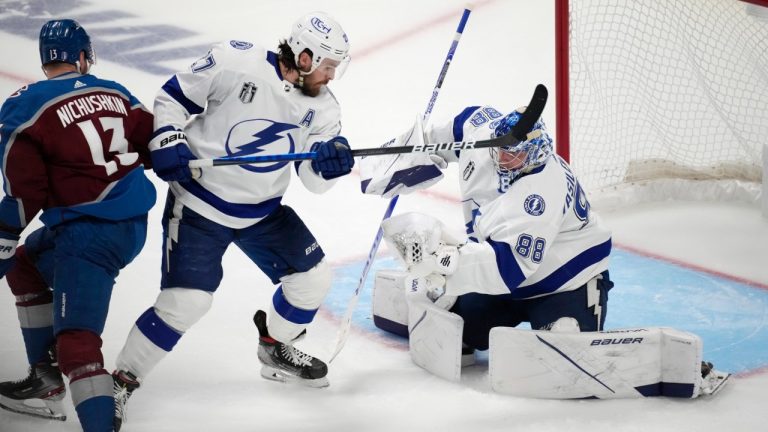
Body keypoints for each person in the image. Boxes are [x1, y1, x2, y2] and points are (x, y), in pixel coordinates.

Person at [364, 102, 729, 398]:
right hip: (506, 276)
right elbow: (448, 130)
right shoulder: (484, 132)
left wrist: (442, 263)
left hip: (564, 283)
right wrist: (396, 160)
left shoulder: (539, 195)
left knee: (563, 349)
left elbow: (508, 269)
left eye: (514, 157)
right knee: (455, 328)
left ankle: (658, 362)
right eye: (500, 151)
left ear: (535, 155)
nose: (502, 160)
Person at [110, 11, 354, 430]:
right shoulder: (235, 62)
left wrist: (329, 164)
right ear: (306, 56)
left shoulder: (324, 109)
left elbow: (312, 181)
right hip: (201, 206)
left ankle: (275, 346)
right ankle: (119, 382)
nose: (332, 77)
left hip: (263, 212)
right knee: (187, 302)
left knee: (313, 280)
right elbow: (172, 97)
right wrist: (168, 137)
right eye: (329, 67)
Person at [0, 19, 156, 431]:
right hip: (132, 226)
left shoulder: (24, 106)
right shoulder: (115, 92)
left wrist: (2, 234)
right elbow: (156, 140)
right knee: (23, 265)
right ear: (83, 56)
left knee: (77, 345)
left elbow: (24, 193)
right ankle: (45, 381)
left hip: (88, 235)